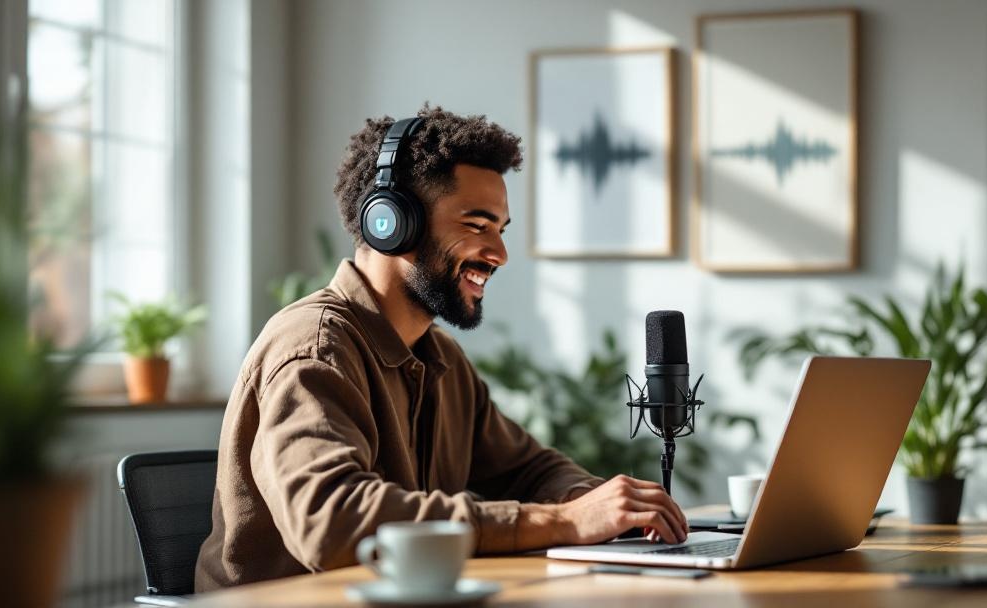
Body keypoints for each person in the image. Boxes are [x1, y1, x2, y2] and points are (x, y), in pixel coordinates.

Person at [194, 106, 689, 590]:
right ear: (392, 224)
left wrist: (600, 504)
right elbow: (333, 521)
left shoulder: (440, 357)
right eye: (477, 225)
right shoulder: (316, 349)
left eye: (500, 230)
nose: (499, 254)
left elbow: (527, 469)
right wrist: (561, 522)